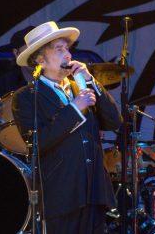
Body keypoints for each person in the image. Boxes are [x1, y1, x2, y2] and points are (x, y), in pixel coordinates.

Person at [12, 21, 122, 233]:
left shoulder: (80, 86)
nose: (68, 54)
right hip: (61, 194)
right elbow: (37, 143)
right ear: (40, 60)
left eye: (68, 48)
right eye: (59, 49)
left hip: (94, 191)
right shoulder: (26, 97)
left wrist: (90, 80)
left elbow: (114, 121)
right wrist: (75, 108)